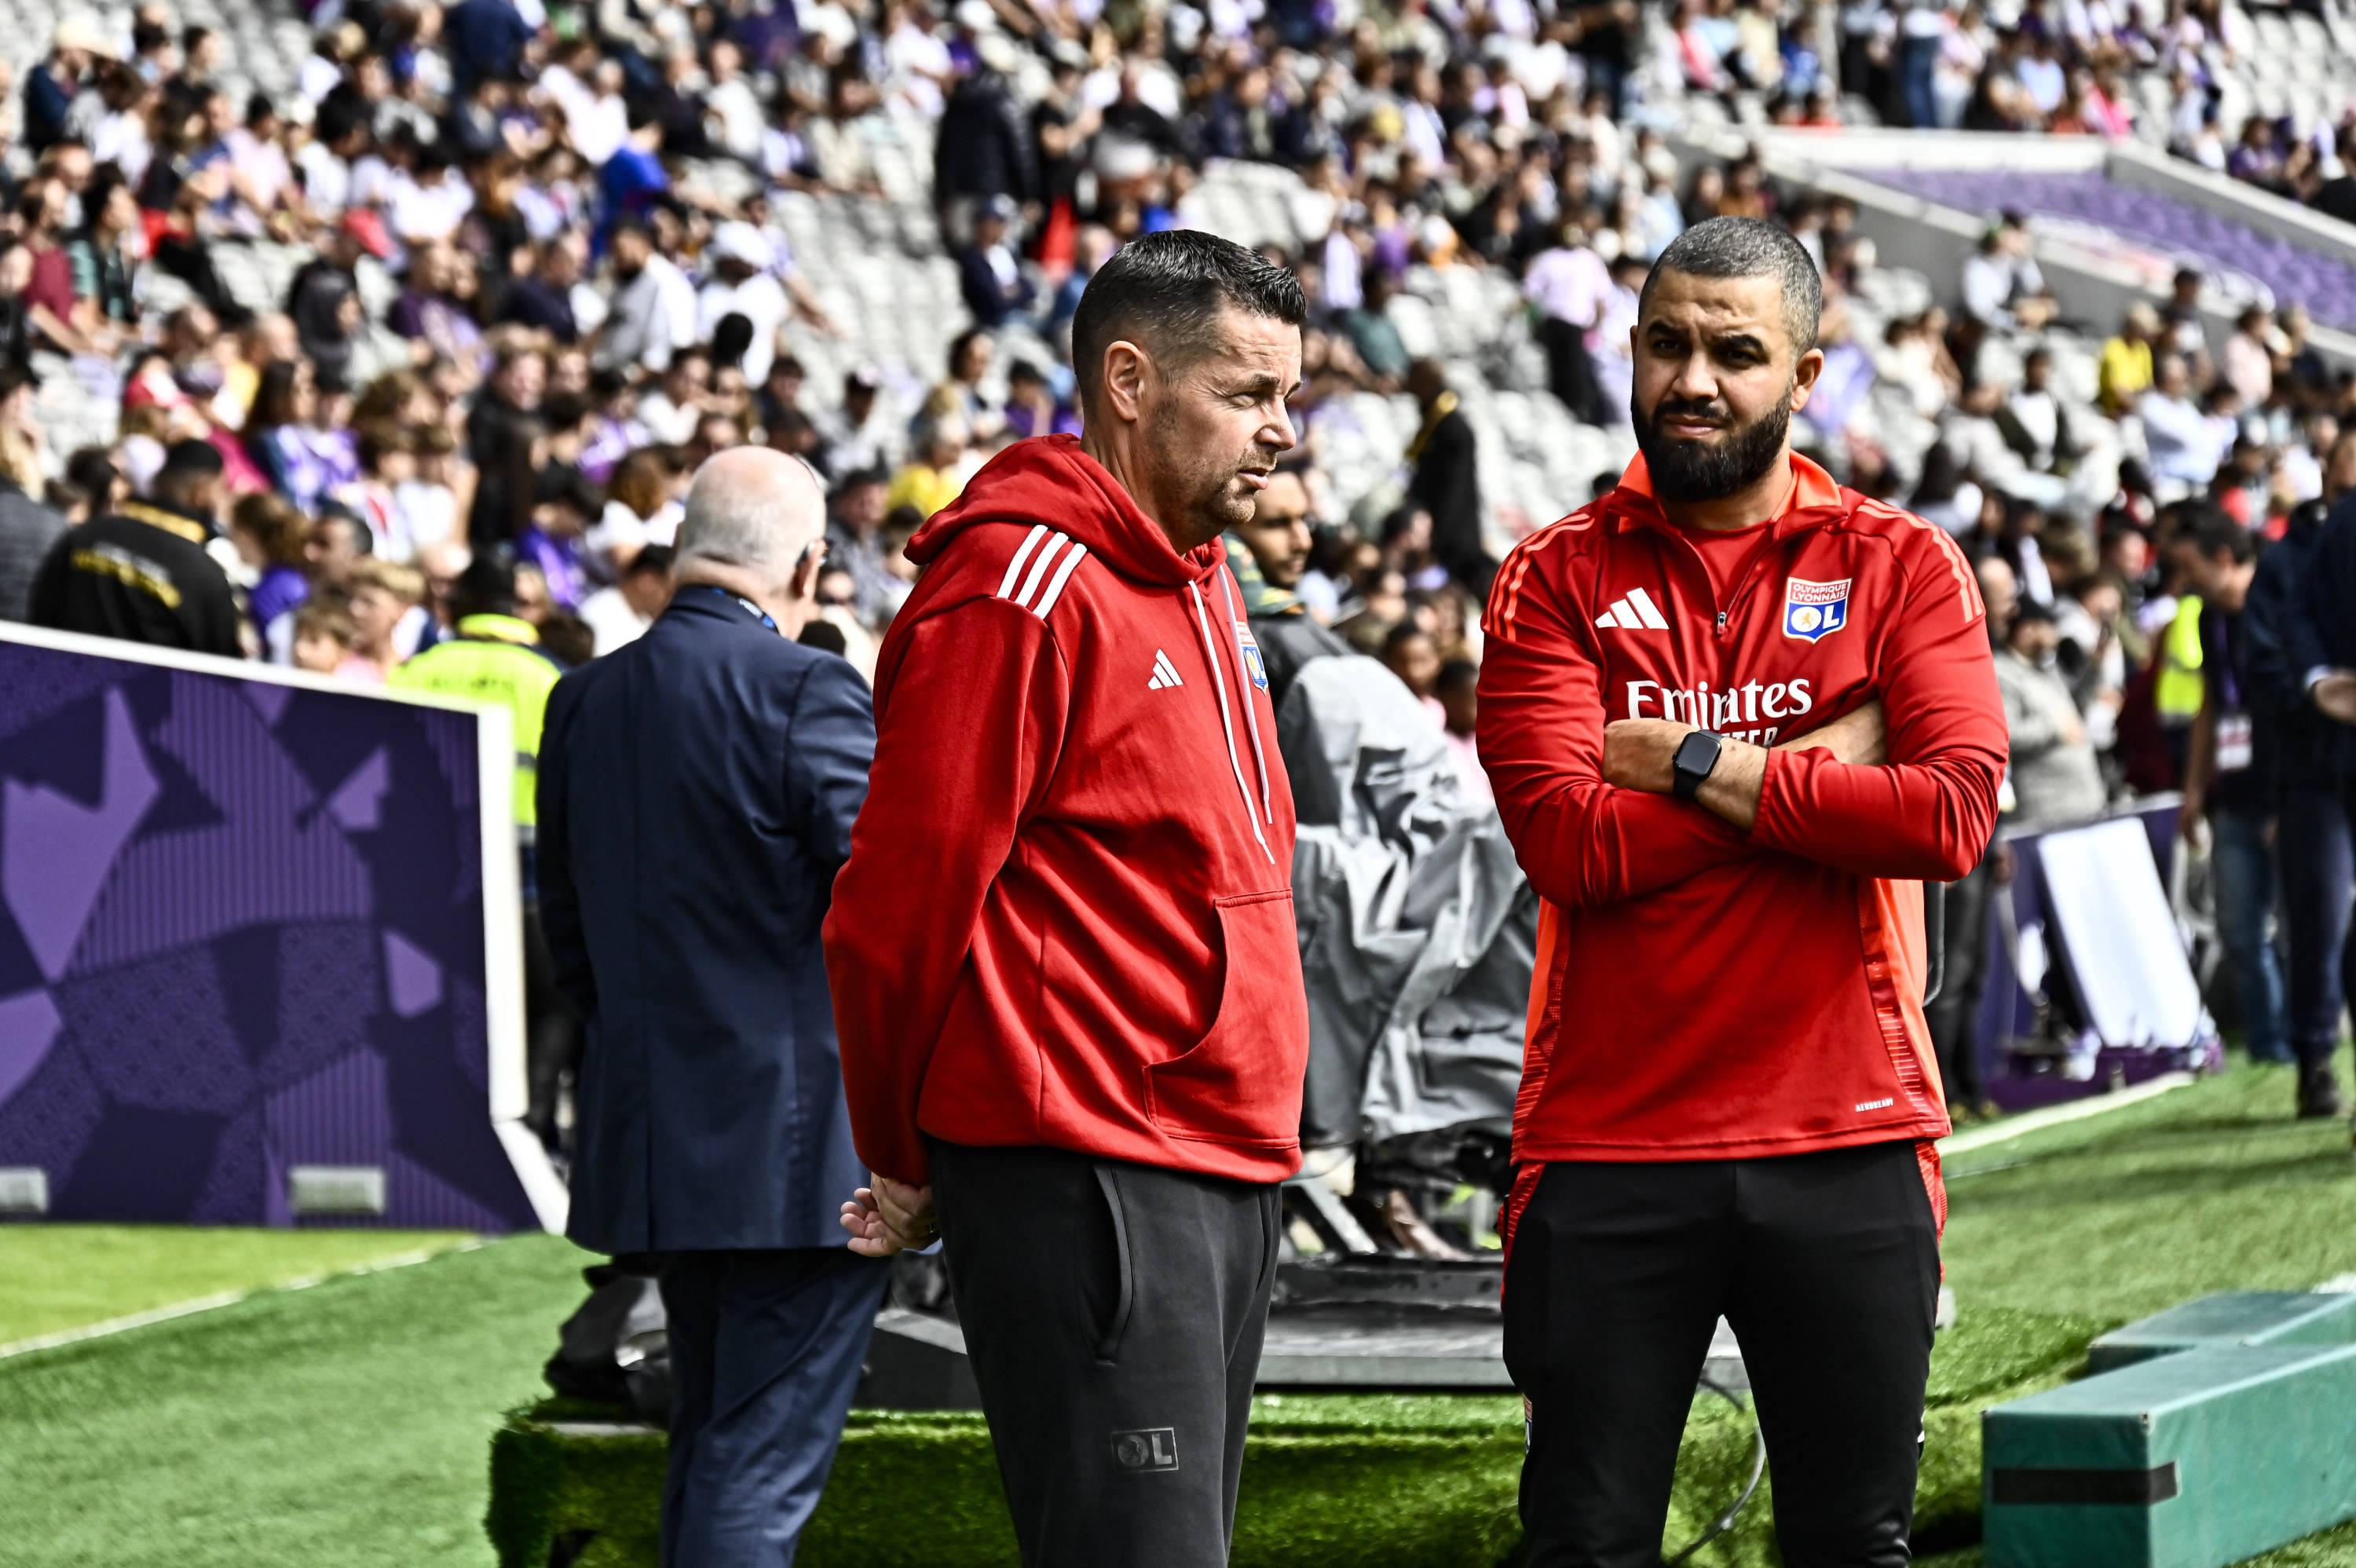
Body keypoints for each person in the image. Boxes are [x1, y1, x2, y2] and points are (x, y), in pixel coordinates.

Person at [1476, 217, 2007, 1566]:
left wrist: (1699, 762)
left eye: (1736, 351)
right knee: (1583, 1545)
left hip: (1850, 1128)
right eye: (1667, 344)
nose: (1693, 379)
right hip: (1606, 1144)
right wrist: (1821, 775)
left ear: (1807, 376)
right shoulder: (1552, 576)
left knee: (1851, 1542)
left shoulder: (1901, 564)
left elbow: (1947, 818)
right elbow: (1567, 844)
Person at [825, 229, 1310, 1568]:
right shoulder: (1013, 585)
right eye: (1248, 395)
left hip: (1218, 1149)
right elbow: (899, 901)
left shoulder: (1205, 579)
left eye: (1289, 400)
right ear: (1130, 379)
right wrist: (902, 1147)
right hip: (1091, 1152)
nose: (1280, 435)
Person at [539, 448, 886, 1568]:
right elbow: (884, 908)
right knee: (753, 1464)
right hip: (797, 1165)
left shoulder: (583, 700)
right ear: (808, 564)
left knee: (714, 1442)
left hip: (656, 1140)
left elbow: (571, 940)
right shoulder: (806, 687)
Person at [388, 554, 571, 1147]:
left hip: (432, 861)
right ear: (517, 608)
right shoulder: (550, 675)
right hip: (529, 863)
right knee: (551, 1001)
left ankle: (438, 1134)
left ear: (453, 607)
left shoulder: (417, 669)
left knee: (442, 1005)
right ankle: (531, 1136)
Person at [2178, 515, 2291, 1066]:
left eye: (2189, 565)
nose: (2182, 579)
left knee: (2303, 930)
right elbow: (2211, 706)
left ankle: (2309, 1037)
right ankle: (2272, 1050)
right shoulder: (2205, 620)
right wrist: (2193, 789)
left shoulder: (2279, 603)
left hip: (2289, 795)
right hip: (2233, 797)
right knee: (2240, 931)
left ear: (2223, 557)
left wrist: (2285, 794)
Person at [30, 438, 243, 658]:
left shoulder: (85, 535)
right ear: (202, 490)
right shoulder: (204, 576)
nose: (223, 501)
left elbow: (39, 614)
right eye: (222, 490)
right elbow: (219, 679)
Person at [1224, 466, 1346, 709]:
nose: (1303, 542)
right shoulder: (1234, 631)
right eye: (1277, 524)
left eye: (1305, 520)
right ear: (1229, 529)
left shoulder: (1301, 617)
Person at [1406, 358, 1491, 595]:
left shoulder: (1452, 429)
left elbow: (1453, 490)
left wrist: (1438, 538)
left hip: (1451, 533)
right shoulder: (1436, 419)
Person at [578, 543, 675, 656]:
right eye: (669, 592)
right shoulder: (601, 613)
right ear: (648, 581)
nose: (671, 601)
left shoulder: (648, 625)